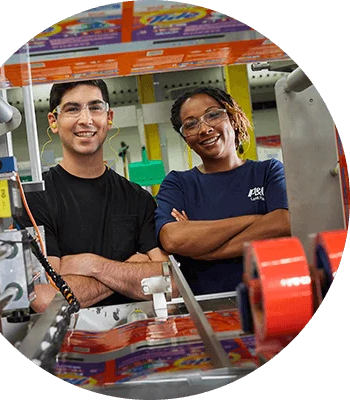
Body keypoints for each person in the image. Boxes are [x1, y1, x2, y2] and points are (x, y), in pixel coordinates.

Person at [17, 79, 178, 313]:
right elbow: (45, 298)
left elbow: (169, 282)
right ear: (54, 121)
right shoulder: (35, 200)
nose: (86, 119)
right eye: (72, 109)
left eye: (95, 107)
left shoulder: (136, 198)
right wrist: (128, 270)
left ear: (109, 117)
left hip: (135, 334)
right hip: (69, 341)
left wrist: (92, 265)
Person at [154, 86, 291, 296]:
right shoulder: (178, 183)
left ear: (232, 117)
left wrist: (205, 250)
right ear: (186, 139)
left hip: (272, 299)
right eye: (191, 124)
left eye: (212, 115)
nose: (204, 128)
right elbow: (172, 239)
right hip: (205, 307)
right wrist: (257, 218)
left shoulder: (268, 172)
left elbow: (283, 222)